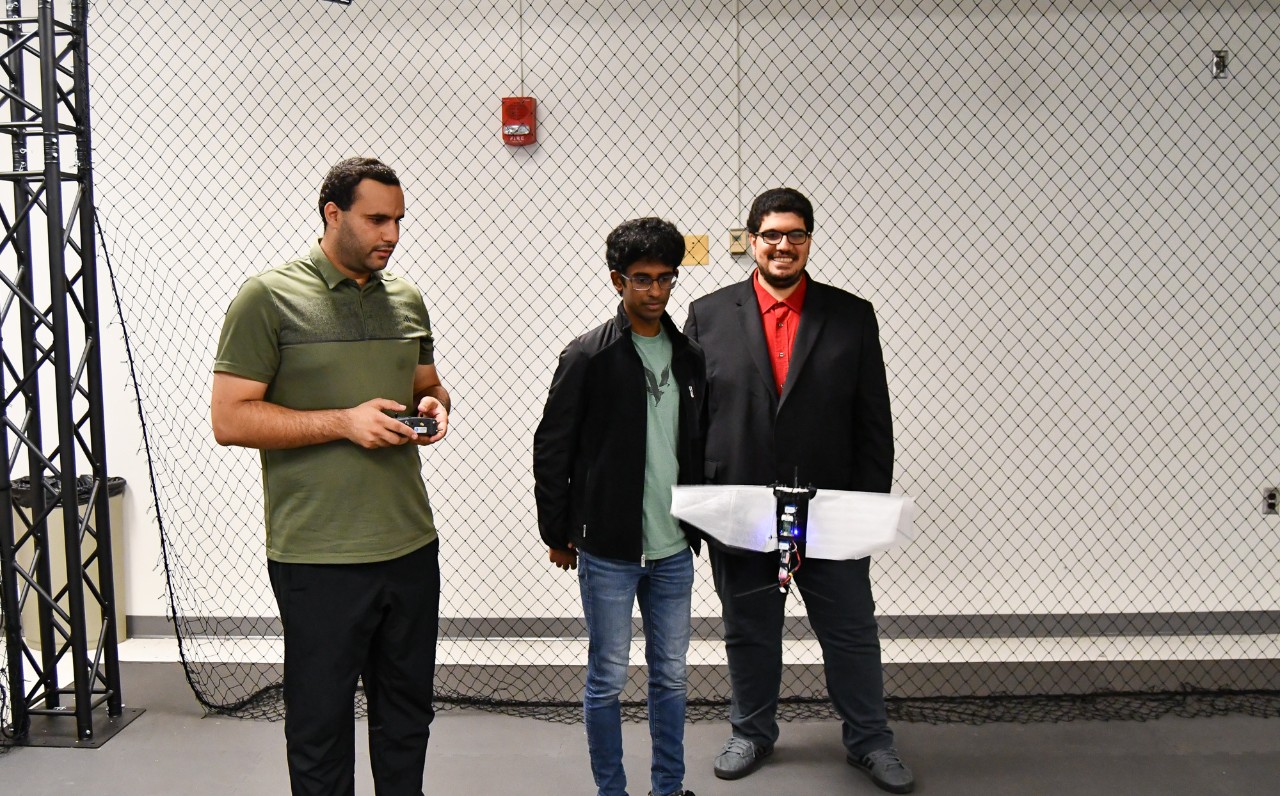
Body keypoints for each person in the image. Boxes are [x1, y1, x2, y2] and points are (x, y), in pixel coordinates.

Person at [211, 157, 449, 796]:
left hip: (409, 546)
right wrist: (342, 422)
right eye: (377, 219)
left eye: (398, 220)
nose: (392, 235)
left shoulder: (406, 299)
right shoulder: (268, 298)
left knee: (407, 719)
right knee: (320, 727)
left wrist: (435, 406)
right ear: (333, 215)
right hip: (318, 554)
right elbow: (230, 419)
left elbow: (426, 385)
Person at [684, 188, 915, 794]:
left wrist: (865, 509)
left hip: (830, 505)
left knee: (850, 629)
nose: (783, 246)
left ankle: (870, 741)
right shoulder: (707, 316)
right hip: (741, 505)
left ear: (809, 240)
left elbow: (874, 421)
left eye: (796, 235)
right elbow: (693, 423)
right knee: (748, 627)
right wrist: (698, 510)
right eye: (771, 235)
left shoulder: (851, 315)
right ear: (752, 241)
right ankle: (752, 731)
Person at [533, 217, 705, 796]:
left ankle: (668, 787)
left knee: (673, 678)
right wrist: (557, 532)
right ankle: (611, 790)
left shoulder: (688, 357)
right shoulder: (587, 356)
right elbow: (552, 447)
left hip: (674, 548)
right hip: (608, 549)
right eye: (642, 279)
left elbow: (697, 444)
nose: (655, 291)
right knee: (607, 678)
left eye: (665, 279)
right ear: (617, 281)